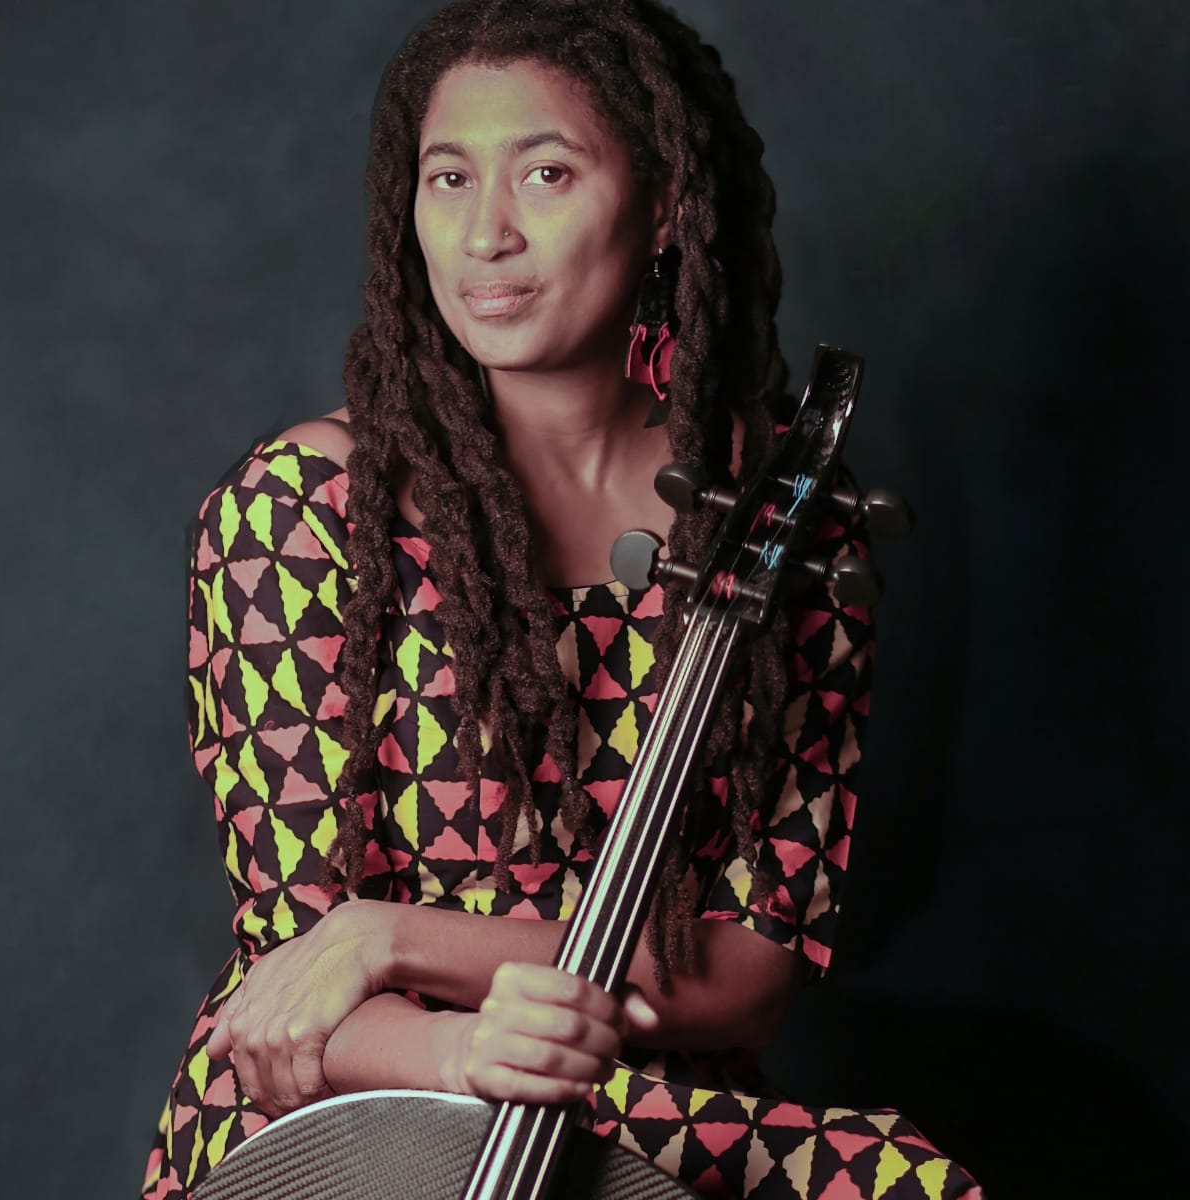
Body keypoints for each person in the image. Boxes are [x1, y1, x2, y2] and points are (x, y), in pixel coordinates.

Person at [142, 2, 981, 1197]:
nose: (486, 235)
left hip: (642, 1104)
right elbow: (293, 989)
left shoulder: (783, 524)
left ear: (666, 209)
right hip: (354, 1107)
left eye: (547, 172)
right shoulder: (304, 510)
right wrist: (456, 1048)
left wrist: (393, 935)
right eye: (448, 177)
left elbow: (749, 969)